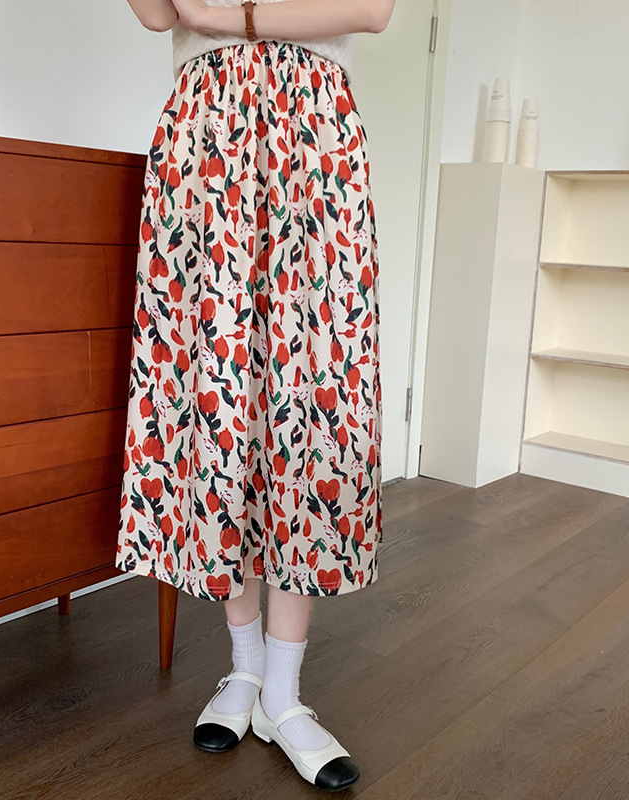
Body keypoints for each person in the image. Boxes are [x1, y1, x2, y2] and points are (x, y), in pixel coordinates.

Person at [119, 0, 394, 789]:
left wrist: (228, 13)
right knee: (211, 393)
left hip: (313, 126)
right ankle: (243, 668)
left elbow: (371, 8)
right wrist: (228, 17)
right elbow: (159, 14)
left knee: (313, 394)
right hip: (204, 128)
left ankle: (284, 692)